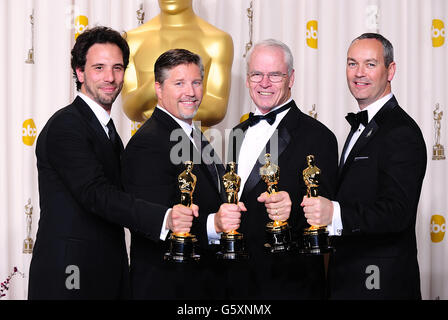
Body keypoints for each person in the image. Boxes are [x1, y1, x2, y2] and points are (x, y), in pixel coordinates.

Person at [28, 26, 197, 300]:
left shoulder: (106, 130)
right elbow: (96, 193)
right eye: (99, 68)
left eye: (117, 68)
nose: (110, 77)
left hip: (106, 271)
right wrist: (164, 217)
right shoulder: (67, 125)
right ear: (79, 72)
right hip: (71, 275)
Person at [301, 33, 427, 299]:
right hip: (348, 278)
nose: (359, 73)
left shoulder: (400, 131)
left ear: (390, 70)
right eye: (352, 63)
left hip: (380, 284)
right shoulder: (365, 126)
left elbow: (398, 212)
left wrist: (334, 214)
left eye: (370, 64)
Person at [121, 48, 245, 299]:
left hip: (201, 284)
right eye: (179, 83)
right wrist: (215, 224)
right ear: (158, 89)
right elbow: (155, 221)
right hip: (167, 286)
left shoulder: (194, 134)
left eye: (196, 82)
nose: (190, 92)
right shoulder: (148, 142)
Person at [223, 39, 339, 299]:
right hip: (237, 282)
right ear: (247, 79)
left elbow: (328, 215)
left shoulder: (319, 137)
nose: (264, 83)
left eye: (275, 75)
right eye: (257, 74)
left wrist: (293, 208)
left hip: (290, 285)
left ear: (291, 78)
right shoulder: (236, 134)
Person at [122, 0, 233, 127]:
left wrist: (158, 112)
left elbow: (217, 109)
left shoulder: (217, 41)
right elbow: (130, 108)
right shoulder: (132, 40)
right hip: (145, 141)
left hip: (193, 142)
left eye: (195, 82)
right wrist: (154, 87)